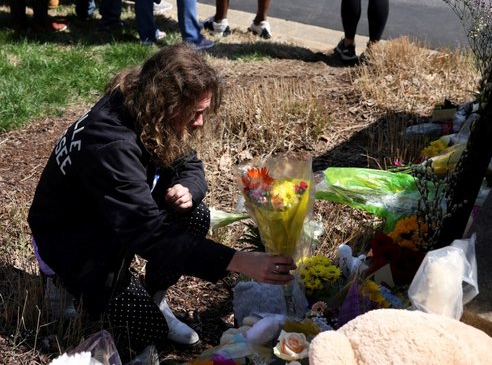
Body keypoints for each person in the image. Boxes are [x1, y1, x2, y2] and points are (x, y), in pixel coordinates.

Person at [28, 46, 297, 355]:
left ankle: (156, 295)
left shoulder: (141, 108)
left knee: (194, 215)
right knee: (149, 332)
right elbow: (147, 232)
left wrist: (188, 187)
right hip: (76, 244)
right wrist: (237, 260)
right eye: (195, 113)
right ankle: (60, 282)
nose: (199, 122)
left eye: (203, 112)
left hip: (112, 220)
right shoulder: (111, 143)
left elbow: (189, 165)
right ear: (165, 102)